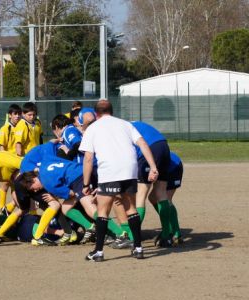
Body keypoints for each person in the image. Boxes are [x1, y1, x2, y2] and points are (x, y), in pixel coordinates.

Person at [79, 99, 159, 262]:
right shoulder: (125, 124)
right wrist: (153, 166)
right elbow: (143, 143)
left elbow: (88, 158)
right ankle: (138, 248)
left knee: (103, 211)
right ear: (112, 111)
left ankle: (98, 252)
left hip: (109, 171)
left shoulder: (92, 128)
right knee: (131, 208)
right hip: (129, 169)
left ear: (96, 114)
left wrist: (86, 184)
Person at [132, 121, 174, 247]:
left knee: (140, 195)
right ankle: (167, 236)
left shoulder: (118, 129)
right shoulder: (130, 123)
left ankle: (133, 237)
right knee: (161, 193)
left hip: (151, 150)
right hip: (164, 147)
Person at [149, 152, 184, 245]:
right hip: (160, 167)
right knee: (152, 198)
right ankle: (169, 228)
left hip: (173, 166)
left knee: (166, 199)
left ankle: (176, 233)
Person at [0, 104, 22, 213]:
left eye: (19, 114)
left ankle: (9, 208)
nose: (17, 116)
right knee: (6, 183)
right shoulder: (5, 128)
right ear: (10, 115)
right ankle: (2, 206)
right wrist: (5, 161)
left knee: (16, 186)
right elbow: (1, 146)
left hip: (18, 161)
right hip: (8, 161)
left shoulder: (21, 127)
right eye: (15, 114)